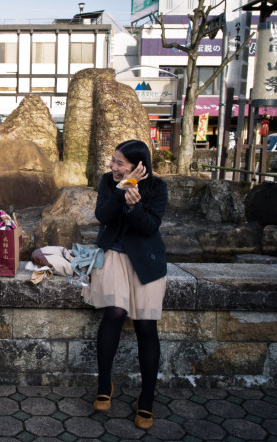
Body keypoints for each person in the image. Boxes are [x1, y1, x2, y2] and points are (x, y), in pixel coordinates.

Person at [87, 139, 168, 430]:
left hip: (146, 258)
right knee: (115, 313)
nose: (113, 166)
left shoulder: (157, 188)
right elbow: (102, 216)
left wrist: (135, 208)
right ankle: (104, 382)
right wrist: (122, 193)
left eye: (120, 163)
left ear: (139, 165)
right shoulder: (109, 182)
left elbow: (150, 228)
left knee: (146, 324)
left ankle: (146, 397)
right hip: (114, 254)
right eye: (113, 160)